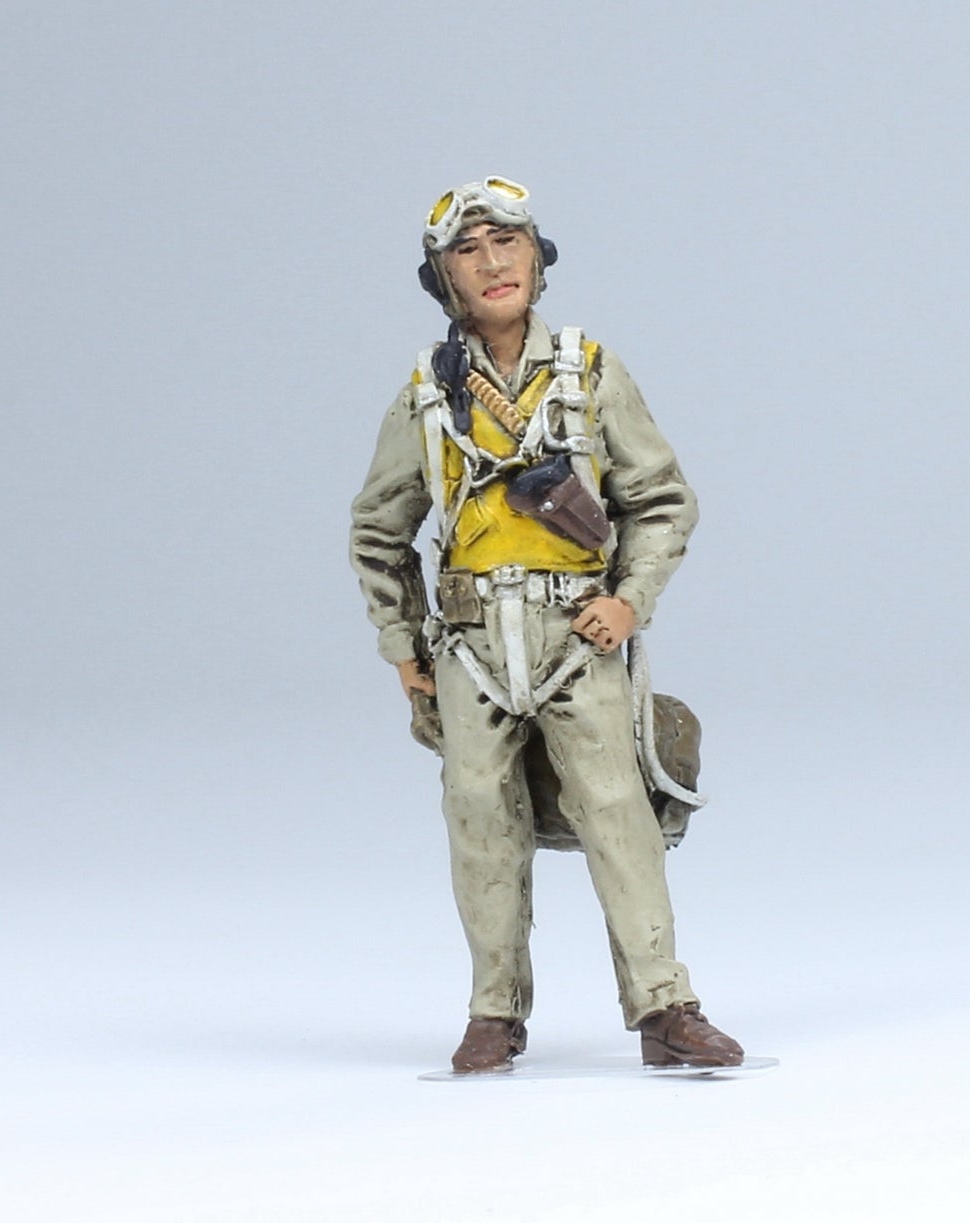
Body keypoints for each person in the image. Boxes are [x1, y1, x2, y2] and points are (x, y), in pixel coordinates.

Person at [348, 176, 743, 1073]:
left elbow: (661, 499)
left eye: (509, 242)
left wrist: (629, 598)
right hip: (470, 645)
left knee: (619, 813)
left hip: (577, 634)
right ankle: (494, 1011)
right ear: (443, 277)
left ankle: (665, 1005)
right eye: (469, 249)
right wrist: (404, 648)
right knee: (478, 819)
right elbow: (378, 529)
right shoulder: (426, 395)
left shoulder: (590, 371)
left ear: (538, 256)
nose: (494, 263)